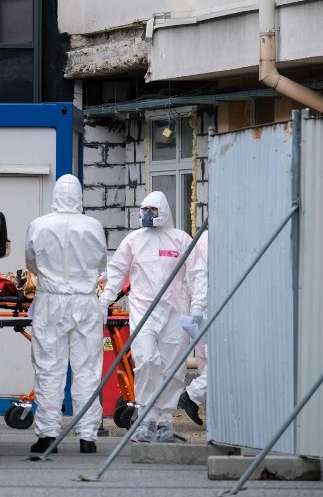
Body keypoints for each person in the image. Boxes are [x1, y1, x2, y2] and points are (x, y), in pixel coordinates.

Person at [98, 191, 207, 443]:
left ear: (163, 211)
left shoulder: (181, 240)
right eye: (144, 209)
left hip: (175, 312)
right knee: (146, 362)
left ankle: (164, 421)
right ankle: (146, 418)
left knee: (172, 368)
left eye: (153, 210)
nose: (148, 215)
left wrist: (199, 305)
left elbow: (198, 273)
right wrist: (106, 299)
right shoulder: (134, 241)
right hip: (143, 311)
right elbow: (116, 271)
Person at [25, 174, 108, 454]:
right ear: (80, 197)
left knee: (49, 368)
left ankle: (48, 435)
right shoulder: (94, 226)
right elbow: (101, 263)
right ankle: (88, 436)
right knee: (87, 369)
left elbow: (31, 262)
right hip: (85, 301)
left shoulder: (39, 225)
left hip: (51, 301)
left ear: (55, 194)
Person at [178, 229, 208, 426]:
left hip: (200, 310)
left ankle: (215, 420)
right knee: (220, 365)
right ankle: (192, 395)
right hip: (209, 308)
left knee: (205, 363)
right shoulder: (211, 240)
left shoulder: (201, 238)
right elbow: (199, 276)